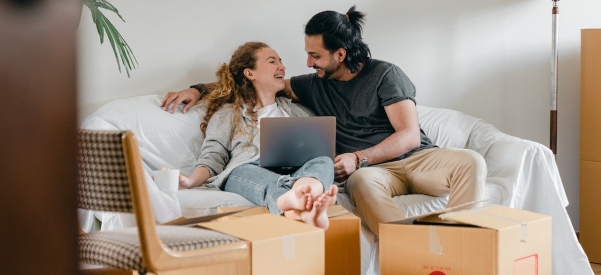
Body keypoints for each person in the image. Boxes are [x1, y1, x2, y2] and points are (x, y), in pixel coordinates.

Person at [161, 7, 486, 235]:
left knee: (471, 162)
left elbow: (409, 136)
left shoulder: (384, 75)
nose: (305, 62)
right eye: (306, 54)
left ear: (340, 54)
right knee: (359, 184)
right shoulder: (307, 86)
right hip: (368, 175)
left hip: (415, 160)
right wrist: (198, 88)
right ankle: (408, 248)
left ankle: (461, 243)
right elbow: (242, 89)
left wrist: (357, 158)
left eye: (314, 56)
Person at [176, 41, 338, 229]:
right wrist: (190, 181)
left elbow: (318, 151)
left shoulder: (297, 112)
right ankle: (298, 202)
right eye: (272, 61)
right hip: (247, 171)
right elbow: (213, 156)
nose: (282, 67)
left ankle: (300, 202)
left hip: (294, 172)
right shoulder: (228, 113)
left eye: (280, 61)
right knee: (241, 171)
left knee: (323, 160)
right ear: (249, 73)